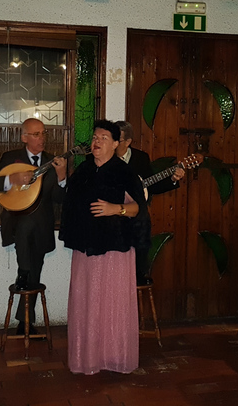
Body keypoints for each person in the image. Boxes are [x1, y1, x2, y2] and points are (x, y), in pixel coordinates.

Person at [59, 120, 150, 375]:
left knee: (112, 302)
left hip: (115, 248)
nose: (96, 141)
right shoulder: (84, 170)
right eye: (95, 137)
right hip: (86, 248)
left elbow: (139, 210)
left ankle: (114, 355)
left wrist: (115, 209)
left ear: (115, 144)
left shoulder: (125, 172)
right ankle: (87, 357)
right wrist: (60, 178)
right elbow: (67, 203)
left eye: (103, 138)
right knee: (87, 302)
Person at [0, 118, 66, 335]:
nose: (42, 138)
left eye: (43, 133)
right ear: (24, 137)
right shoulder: (11, 158)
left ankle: (24, 318)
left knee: (34, 271)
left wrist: (63, 177)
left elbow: (60, 199)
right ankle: (25, 314)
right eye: (36, 134)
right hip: (17, 223)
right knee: (26, 224)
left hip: (42, 226)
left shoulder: (52, 162)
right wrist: (11, 178)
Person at [115, 121, 184, 284]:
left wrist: (173, 179)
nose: (113, 142)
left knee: (141, 234)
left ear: (128, 142)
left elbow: (151, 185)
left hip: (137, 218)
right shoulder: (105, 158)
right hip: (113, 216)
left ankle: (138, 277)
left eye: (117, 139)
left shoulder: (140, 158)